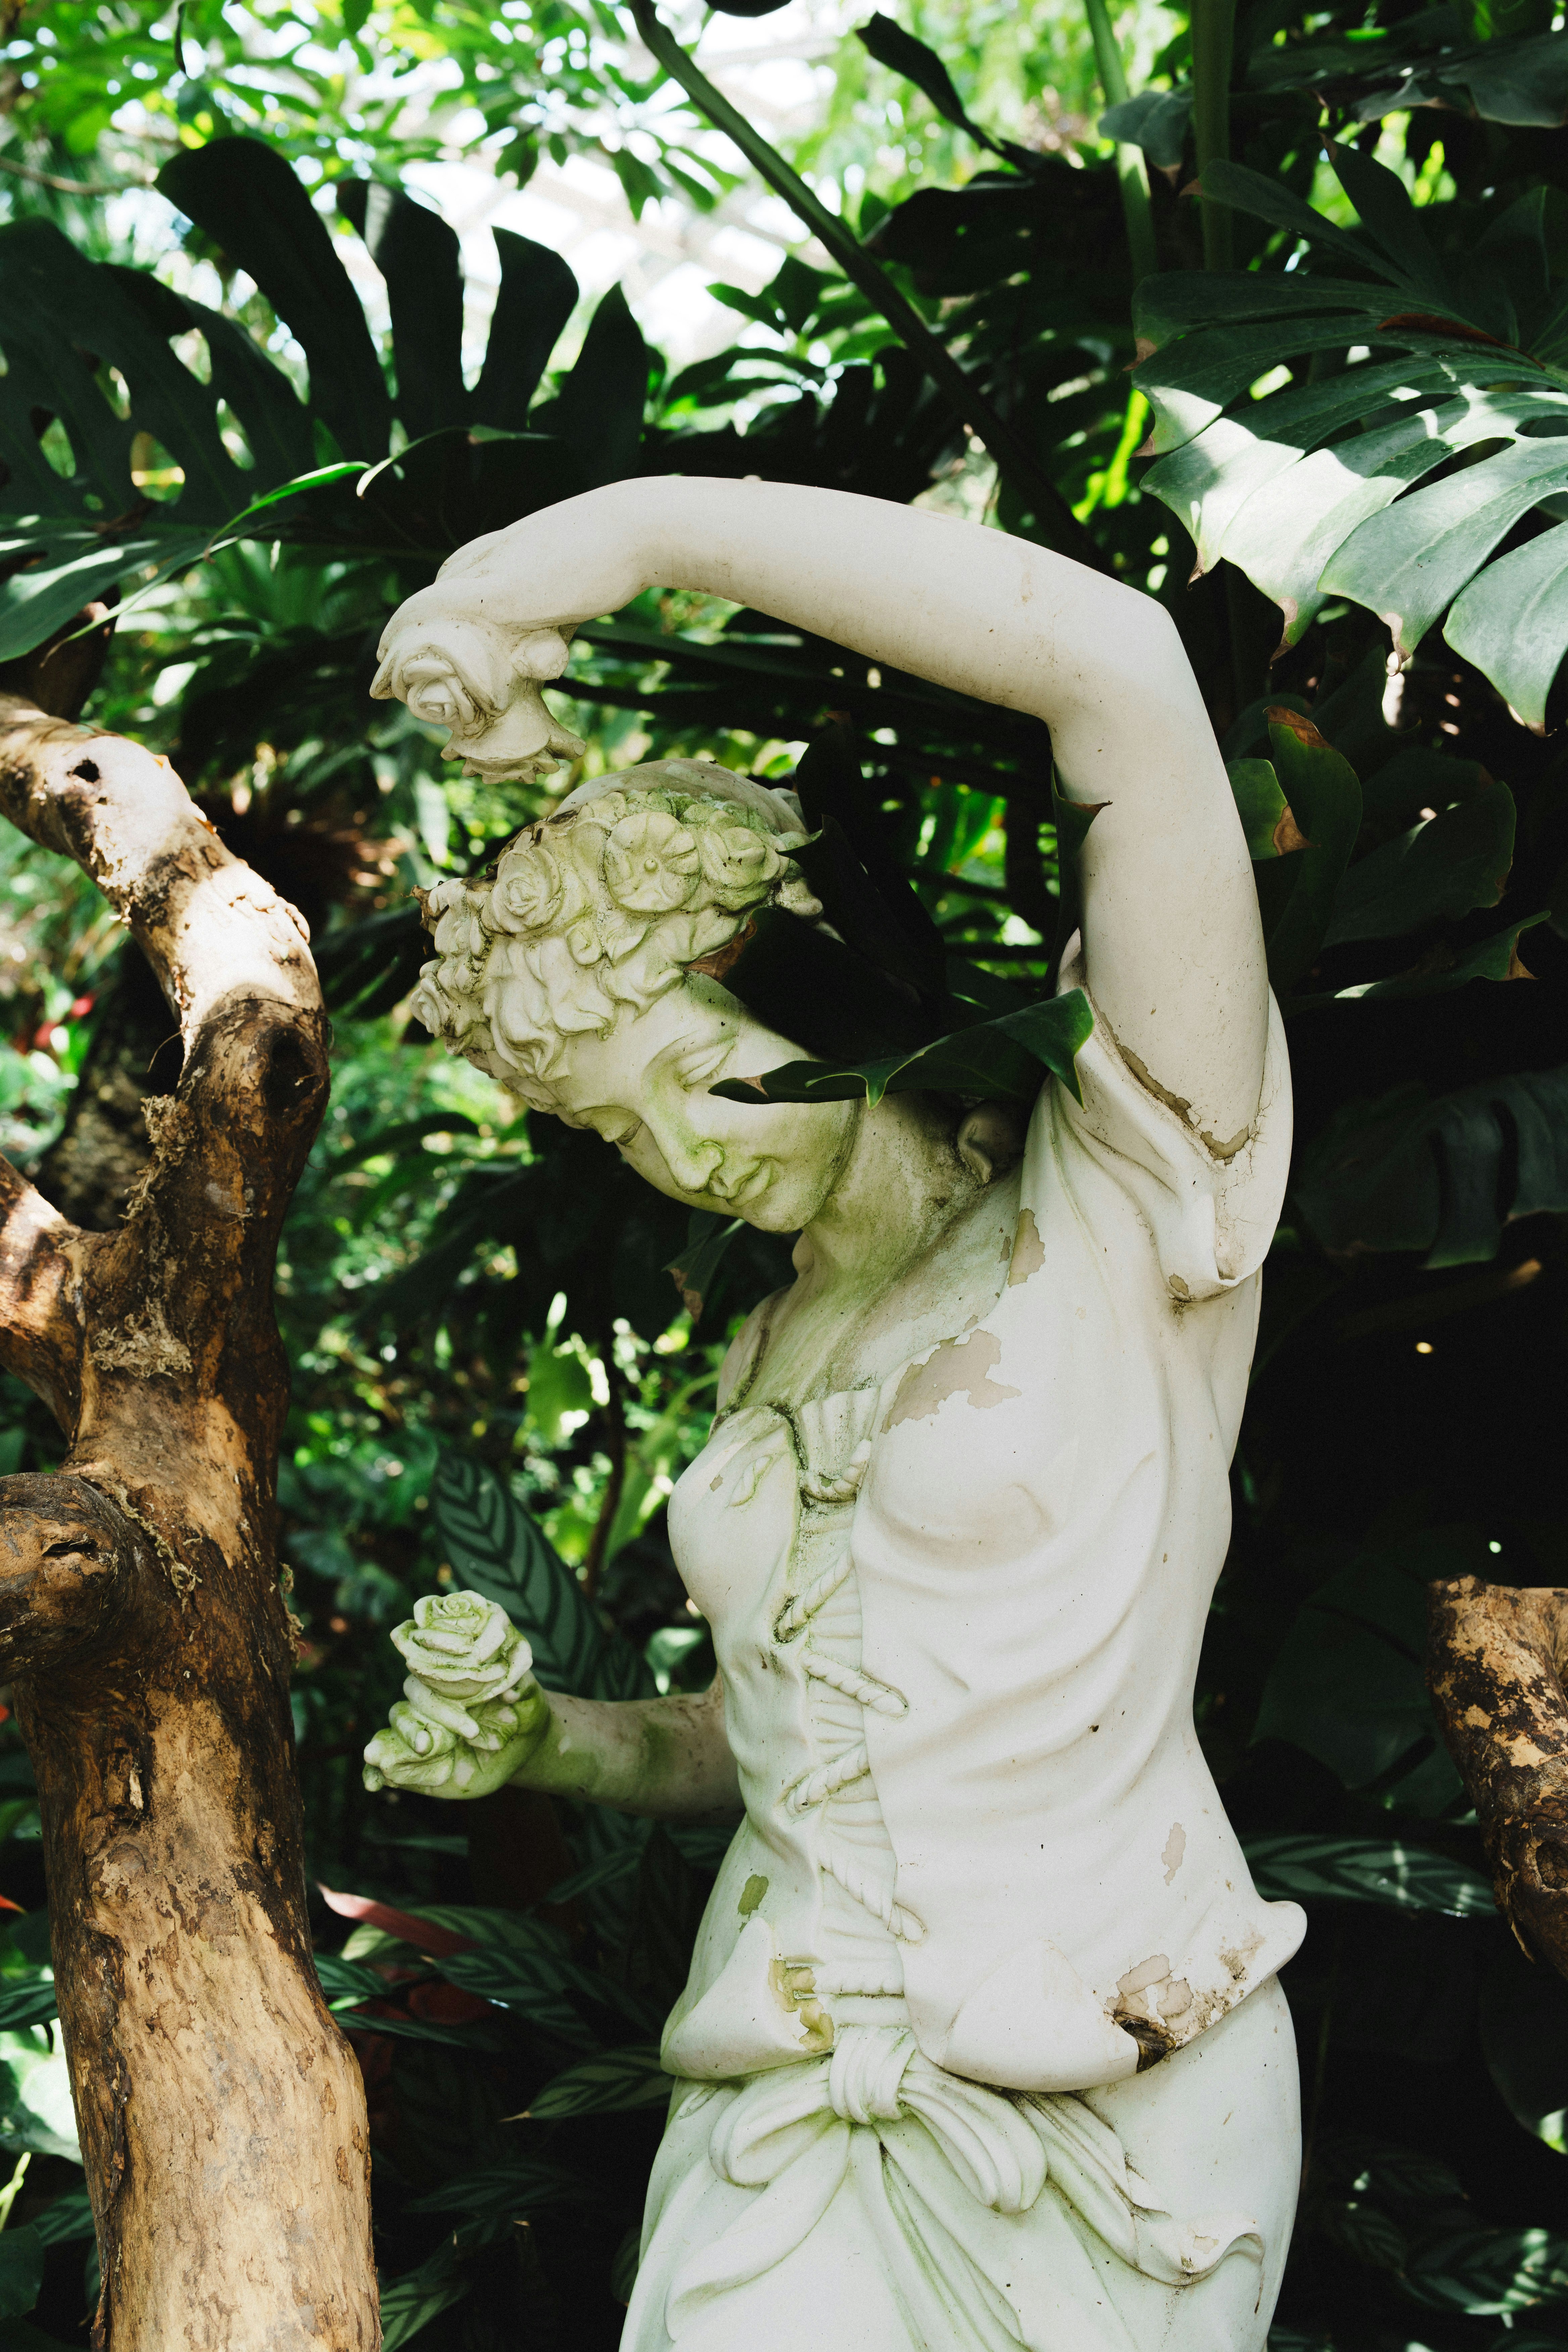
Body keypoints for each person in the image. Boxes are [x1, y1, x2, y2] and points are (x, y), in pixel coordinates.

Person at [362, 478, 1303, 2352]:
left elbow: (1122, 680)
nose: (686, 1156)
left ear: (796, 969)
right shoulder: (762, 1354)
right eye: (626, 1133)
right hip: (775, 2123)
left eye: (705, 1077)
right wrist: (546, 1745)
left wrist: (630, 535)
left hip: (1109, 2092)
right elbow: (767, 1745)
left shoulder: (1134, 1197)